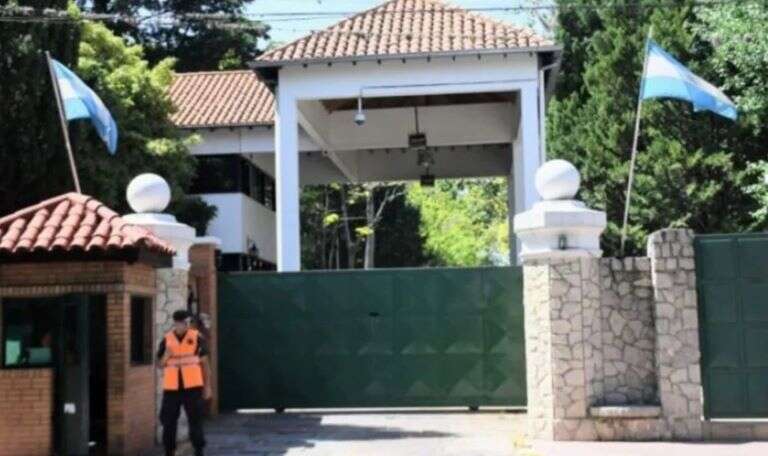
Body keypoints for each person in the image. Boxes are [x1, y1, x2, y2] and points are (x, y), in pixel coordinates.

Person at [158, 310, 212, 456]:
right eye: (184, 322)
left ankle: (198, 450)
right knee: (168, 421)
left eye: (188, 322)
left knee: (195, 420)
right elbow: (160, 364)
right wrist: (166, 356)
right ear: (176, 323)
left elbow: (205, 364)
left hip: (193, 387)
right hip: (172, 388)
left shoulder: (196, 337)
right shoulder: (167, 339)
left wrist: (207, 387)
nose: (187, 325)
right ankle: (169, 451)